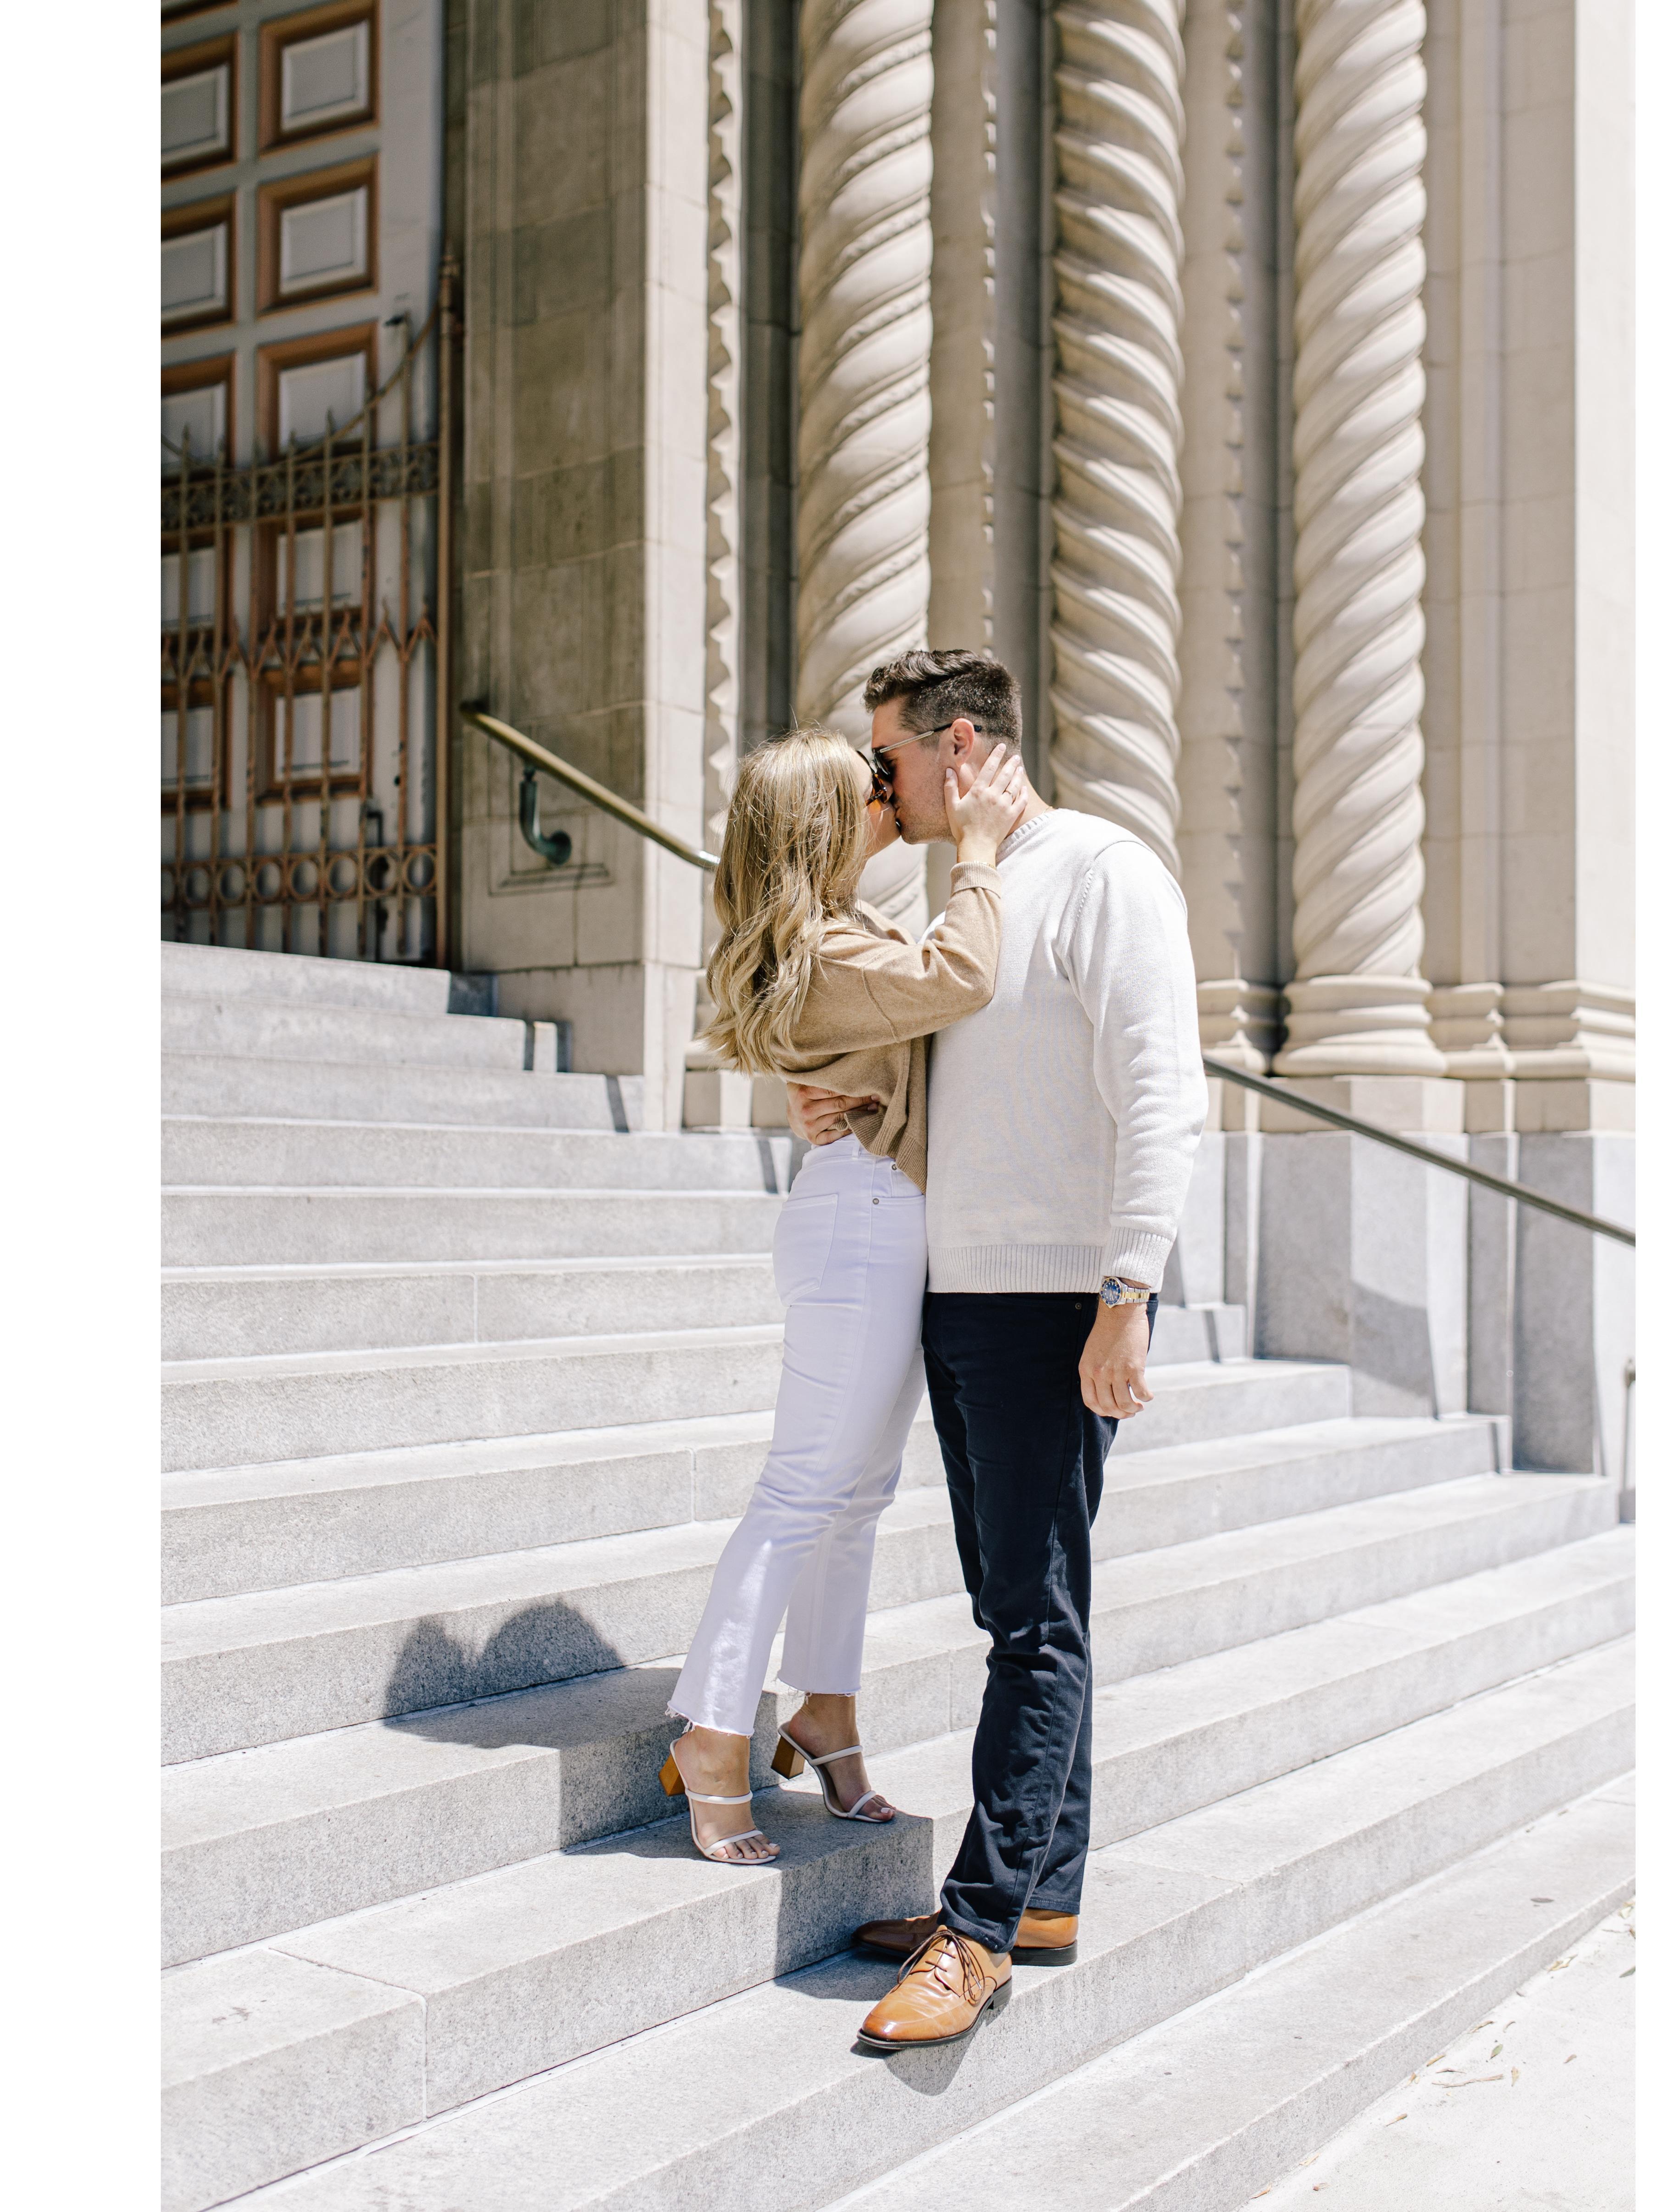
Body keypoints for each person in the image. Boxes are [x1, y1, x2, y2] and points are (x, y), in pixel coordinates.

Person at [788, 650, 1206, 2049]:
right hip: (953, 1296)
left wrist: (1127, 1288)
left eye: (889, 763)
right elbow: (939, 1071)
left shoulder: (1105, 873)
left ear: (956, 748)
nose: (877, 788)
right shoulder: (950, 895)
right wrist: (842, 1097)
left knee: (1033, 1624)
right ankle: (1040, 1897)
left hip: (1051, 1305)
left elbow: (1163, 1089)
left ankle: (974, 1931)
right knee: (1018, 1612)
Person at [659, 723, 1032, 1862]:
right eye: (870, 784)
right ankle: (716, 1730)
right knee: (804, 1489)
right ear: (826, 822)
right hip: (860, 1223)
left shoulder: (840, 935)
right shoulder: (828, 948)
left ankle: (825, 1707)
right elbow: (961, 974)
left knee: (857, 1494)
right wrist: (974, 851)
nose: (890, 796)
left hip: (881, 1219)